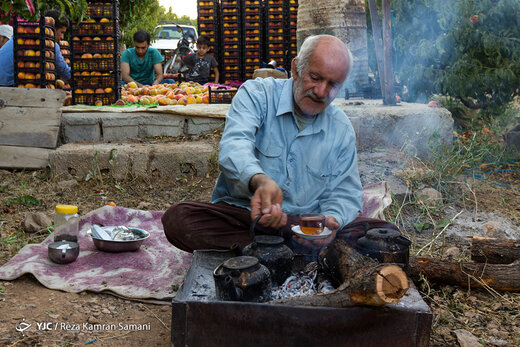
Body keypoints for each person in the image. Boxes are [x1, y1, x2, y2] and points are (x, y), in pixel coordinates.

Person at [162, 34, 398, 255]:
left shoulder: (341, 127)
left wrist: (331, 221)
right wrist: (259, 181)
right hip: (247, 218)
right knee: (179, 219)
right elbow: (235, 145)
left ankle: (274, 249)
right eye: (315, 78)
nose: (321, 91)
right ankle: (293, 250)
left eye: (333, 85)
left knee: (386, 235)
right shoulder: (256, 95)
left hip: (306, 226)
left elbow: (345, 192)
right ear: (295, 69)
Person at [0, 10, 70, 87]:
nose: (62, 37)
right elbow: (64, 70)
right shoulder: (47, 42)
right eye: (61, 32)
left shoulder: (23, 35)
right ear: (52, 29)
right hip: (10, 83)